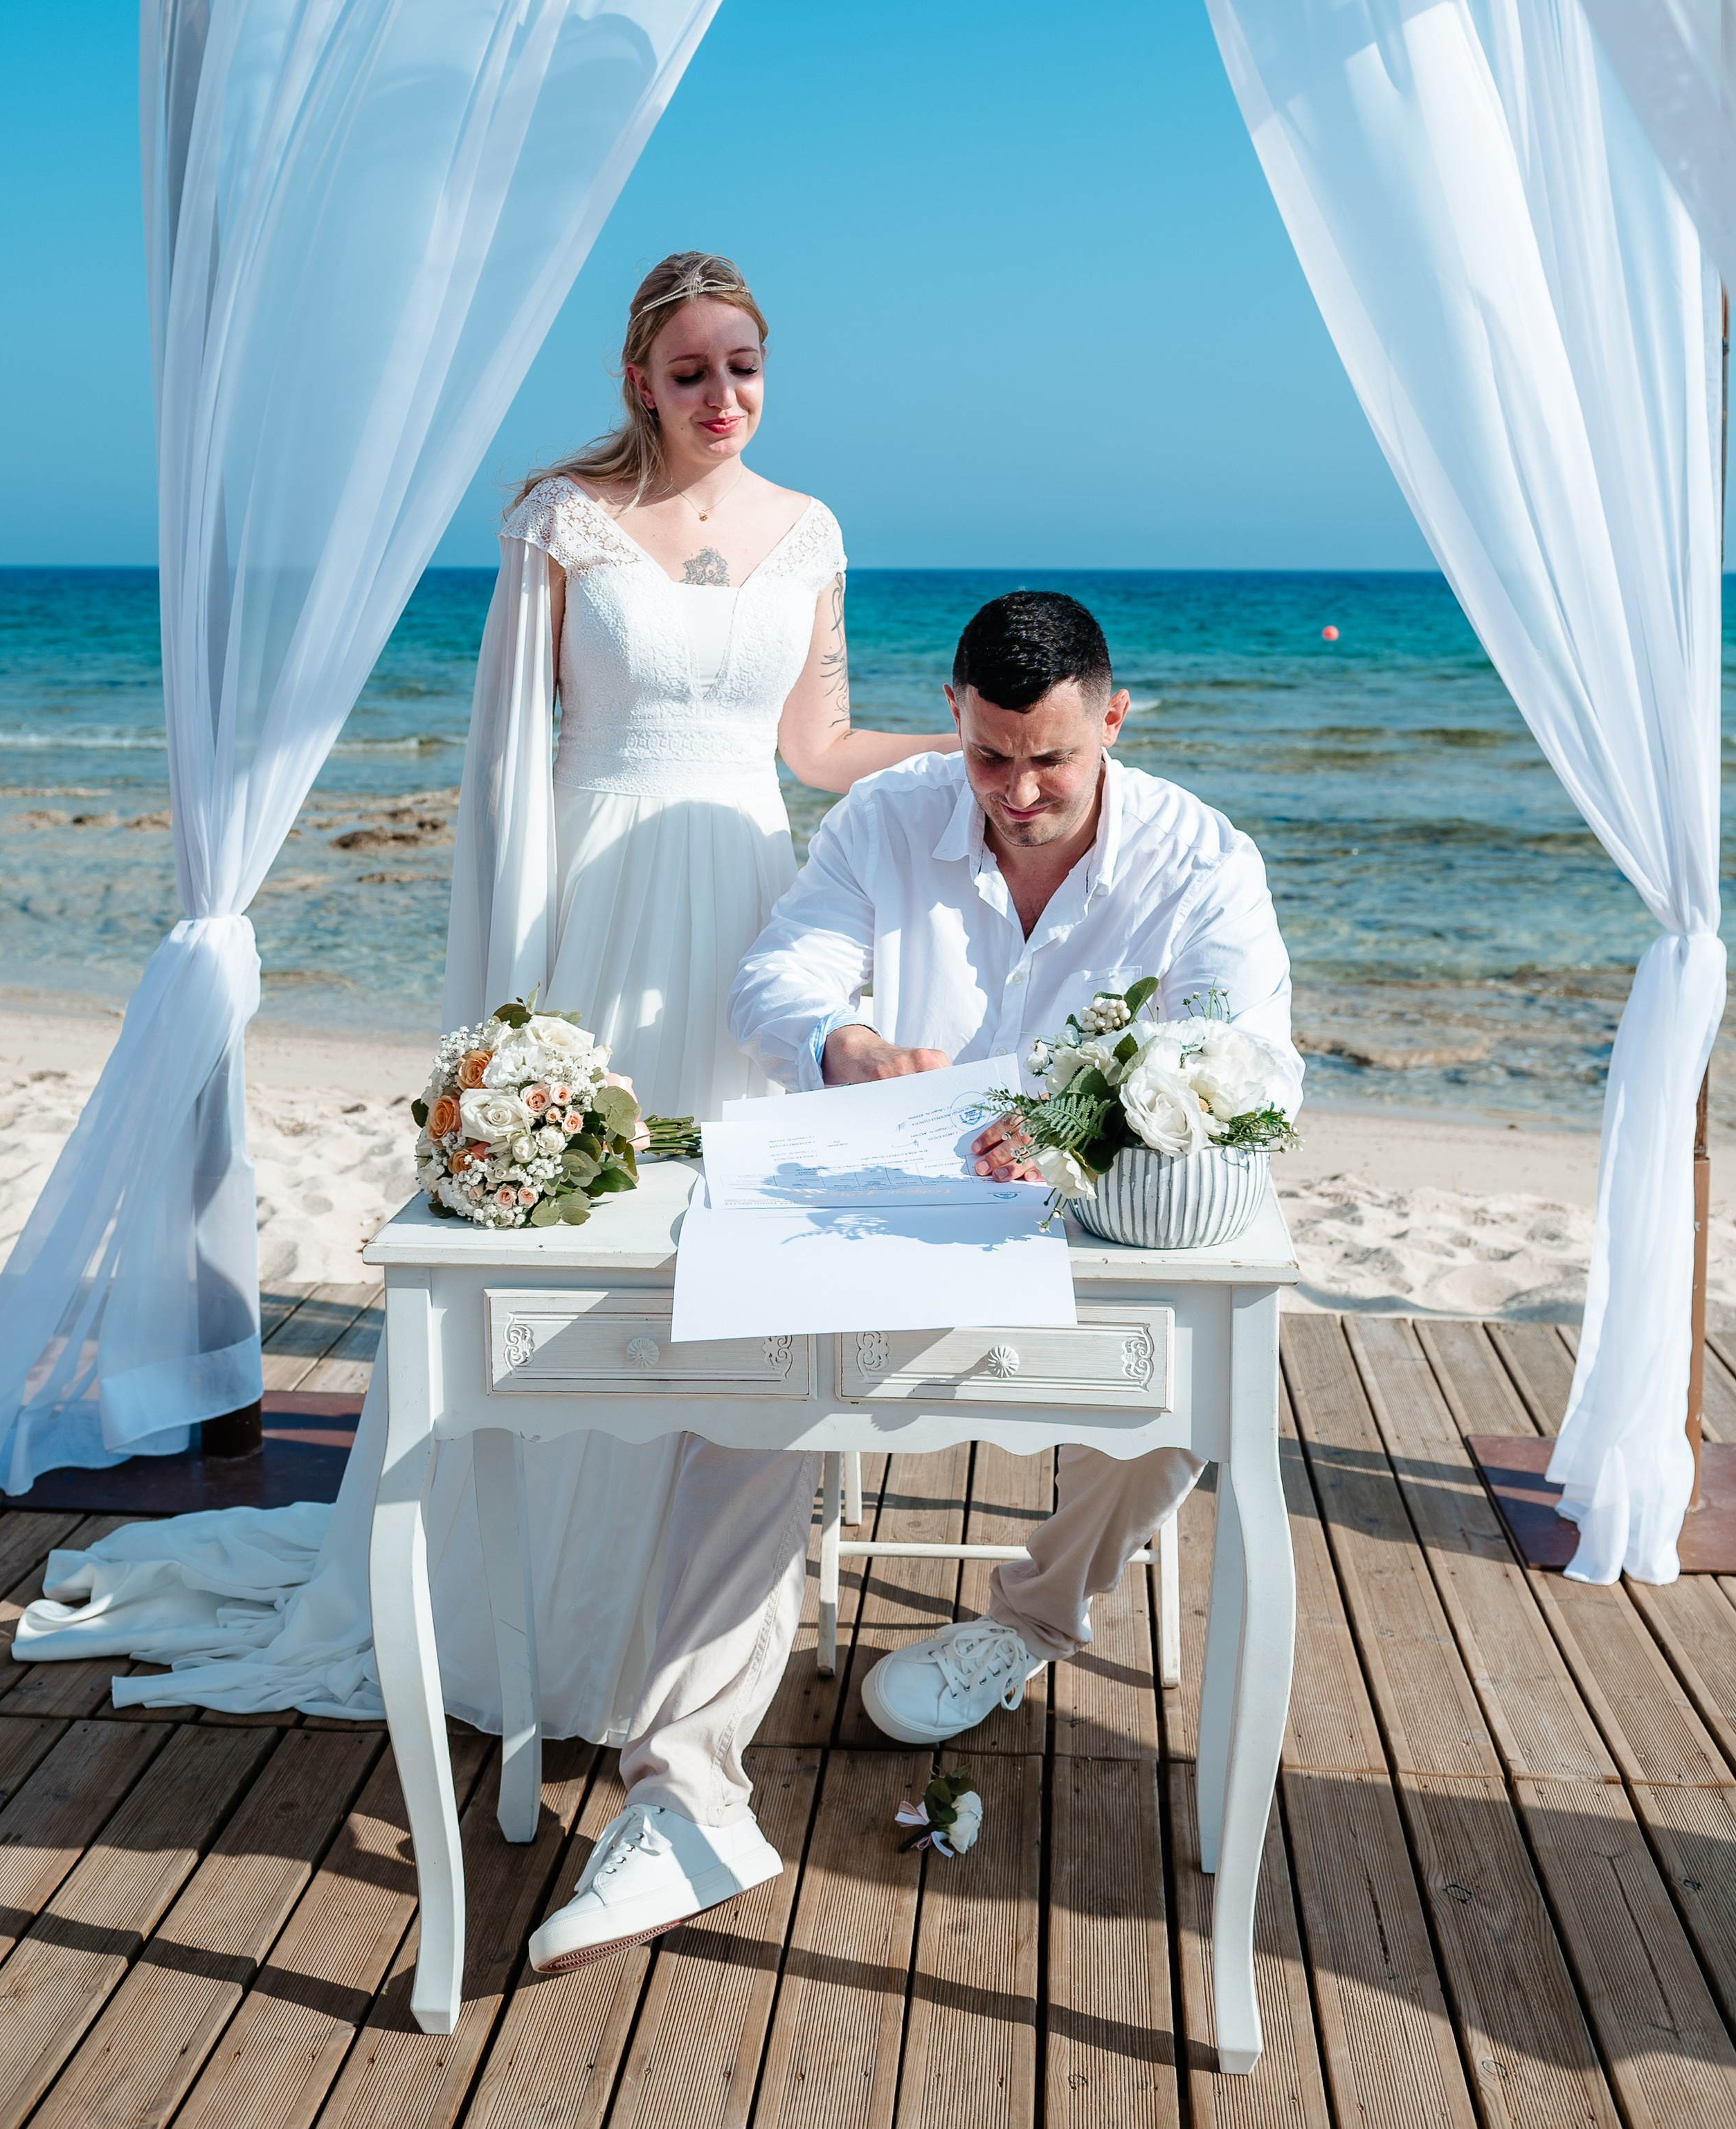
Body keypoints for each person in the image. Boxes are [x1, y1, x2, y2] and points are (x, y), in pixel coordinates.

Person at [12, 251, 955, 1743]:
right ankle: (530, 1599)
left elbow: (818, 745)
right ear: (637, 378)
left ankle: (693, 1617)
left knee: (725, 1252)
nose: (725, 395)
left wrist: (971, 746)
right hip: (595, 910)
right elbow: (508, 768)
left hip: (748, 914)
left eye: (745, 365)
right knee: (586, 1240)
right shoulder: (560, 523)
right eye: (693, 369)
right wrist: (509, 996)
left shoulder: (811, 531)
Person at [527, 587, 1301, 1971]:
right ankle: (681, 1792)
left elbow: (1246, 1063)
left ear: (1111, 720)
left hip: (1093, 1212)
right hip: (887, 1199)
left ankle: (1023, 1625)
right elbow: (776, 977)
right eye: (990, 755)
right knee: (739, 1372)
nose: (1015, 790)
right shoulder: (885, 815)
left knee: (1194, 1386)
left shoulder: (1200, 855)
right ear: (952, 718)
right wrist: (845, 1047)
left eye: (1050, 758)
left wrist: (1081, 1125)